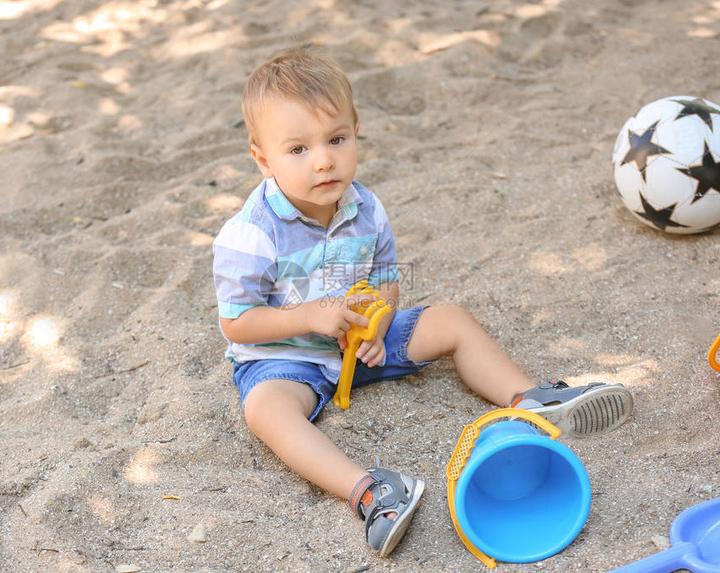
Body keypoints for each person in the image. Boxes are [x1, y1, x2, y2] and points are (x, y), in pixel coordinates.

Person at [212, 48, 633, 558]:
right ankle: (370, 491)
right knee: (266, 412)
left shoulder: (365, 208)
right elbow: (236, 322)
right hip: (284, 357)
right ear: (262, 158)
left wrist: (379, 320)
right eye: (298, 149)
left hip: (358, 343)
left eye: (337, 139)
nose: (324, 160)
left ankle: (531, 400)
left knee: (451, 320)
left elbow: (387, 281)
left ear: (356, 132)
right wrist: (306, 316)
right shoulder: (251, 234)